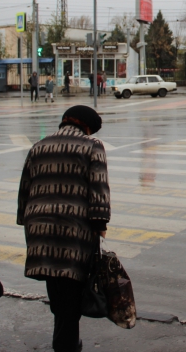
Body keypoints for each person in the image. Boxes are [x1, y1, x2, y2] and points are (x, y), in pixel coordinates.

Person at [17, 106, 111, 352]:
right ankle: (65, 344)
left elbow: (25, 187)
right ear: (86, 126)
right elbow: (98, 188)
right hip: (73, 229)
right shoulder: (92, 146)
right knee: (72, 287)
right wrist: (100, 223)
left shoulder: (39, 146)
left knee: (57, 285)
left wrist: (24, 219)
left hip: (39, 228)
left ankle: (64, 337)